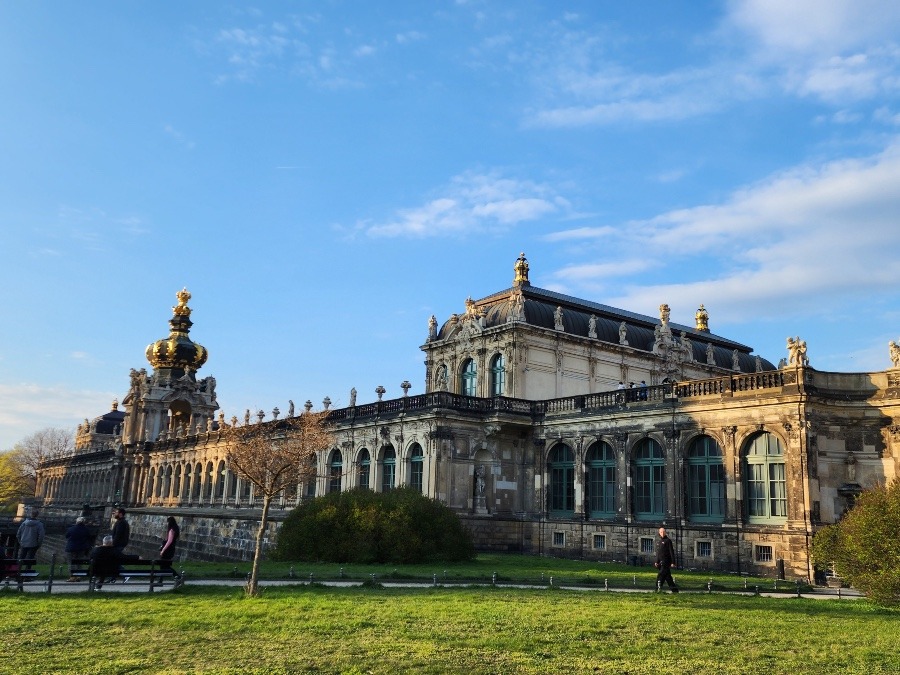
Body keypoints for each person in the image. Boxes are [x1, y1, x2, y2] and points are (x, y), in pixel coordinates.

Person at [65, 516, 94, 581]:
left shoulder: (71, 529)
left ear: (76, 522)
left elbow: (66, 536)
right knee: (79, 562)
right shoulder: (86, 530)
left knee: (71, 563)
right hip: (81, 548)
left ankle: (72, 577)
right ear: (84, 522)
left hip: (71, 548)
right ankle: (78, 576)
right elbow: (89, 538)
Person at [655, 527, 679, 593]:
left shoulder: (668, 541)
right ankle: (675, 590)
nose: (662, 533)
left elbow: (671, 552)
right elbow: (658, 553)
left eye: (663, 532)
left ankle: (657, 589)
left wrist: (673, 562)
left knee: (660, 576)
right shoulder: (659, 542)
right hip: (661, 562)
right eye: (661, 532)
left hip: (666, 562)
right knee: (668, 578)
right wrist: (657, 561)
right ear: (659, 533)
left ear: (665, 532)